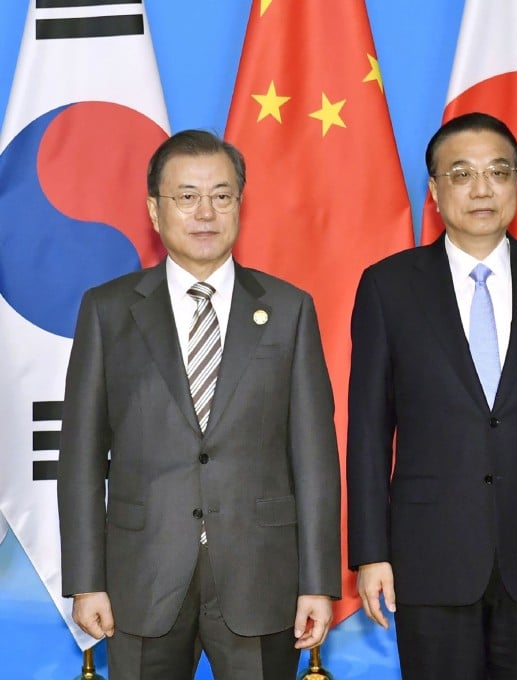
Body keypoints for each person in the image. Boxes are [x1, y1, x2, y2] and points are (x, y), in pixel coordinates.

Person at [57, 130, 341, 679]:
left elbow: (314, 459)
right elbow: (81, 459)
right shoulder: (109, 311)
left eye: (222, 195)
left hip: (262, 577)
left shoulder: (288, 309)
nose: (205, 212)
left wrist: (318, 582)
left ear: (239, 203)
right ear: (154, 210)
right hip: (142, 578)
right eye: (186, 196)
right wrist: (86, 579)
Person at [346, 111, 517, 680]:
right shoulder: (389, 286)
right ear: (435, 193)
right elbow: (368, 431)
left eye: (498, 171)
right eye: (462, 174)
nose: (482, 188)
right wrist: (371, 552)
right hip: (430, 552)